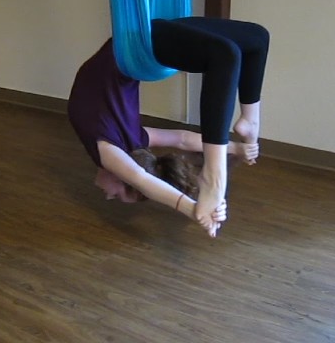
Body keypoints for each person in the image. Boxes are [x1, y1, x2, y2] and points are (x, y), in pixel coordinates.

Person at [68, 16, 269, 237]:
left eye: (116, 196)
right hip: (143, 46)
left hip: (138, 43)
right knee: (252, 41)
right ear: (121, 175)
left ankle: (220, 165)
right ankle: (245, 128)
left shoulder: (109, 149)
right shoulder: (124, 145)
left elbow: (150, 170)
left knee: (235, 50)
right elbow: (176, 144)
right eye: (115, 195)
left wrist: (192, 209)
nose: (107, 195)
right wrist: (235, 148)